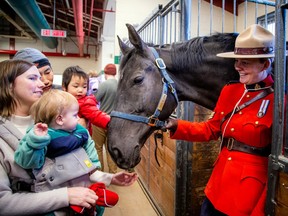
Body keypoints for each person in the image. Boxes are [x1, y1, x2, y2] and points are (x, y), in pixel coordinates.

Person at [0, 59, 137, 215]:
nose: (42, 83)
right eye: (33, 78)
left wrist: (107, 177)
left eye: (40, 77)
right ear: (9, 85)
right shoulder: (6, 136)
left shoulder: (58, 123)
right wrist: (66, 196)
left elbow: (73, 166)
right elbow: (3, 202)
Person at [165, 24, 275, 216]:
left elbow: (276, 165)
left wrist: (261, 210)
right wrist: (176, 125)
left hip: (248, 197)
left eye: (246, 63)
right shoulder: (230, 91)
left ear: (265, 64)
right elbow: (211, 129)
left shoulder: (279, 102)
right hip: (217, 186)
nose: (237, 67)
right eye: (237, 60)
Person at [14, 90, 123, 215]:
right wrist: (36, 141)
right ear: (60, 119)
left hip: (82, 193)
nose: (78, 118)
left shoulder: (79, 134)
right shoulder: (40, 136)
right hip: (55, 200)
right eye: (75, 115)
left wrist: (109, 178)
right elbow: (27, 162)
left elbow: (89, 167)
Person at [62, 65, 110, 135]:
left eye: (84, 86)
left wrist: (111, 122)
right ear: (64, 87)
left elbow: (96, 115)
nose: (80, 90)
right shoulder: (61, 101)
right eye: (76, 86)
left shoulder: (84, 103)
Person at [93, 64, 118, 173]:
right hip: (115, 123)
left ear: (105, 73)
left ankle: (100, 172)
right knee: (111, 149)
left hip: (101, 120)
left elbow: (95, 100)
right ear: (115, 73)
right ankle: (113, 173)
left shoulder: (104, 85)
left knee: (98, 147)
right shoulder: (121, 85)